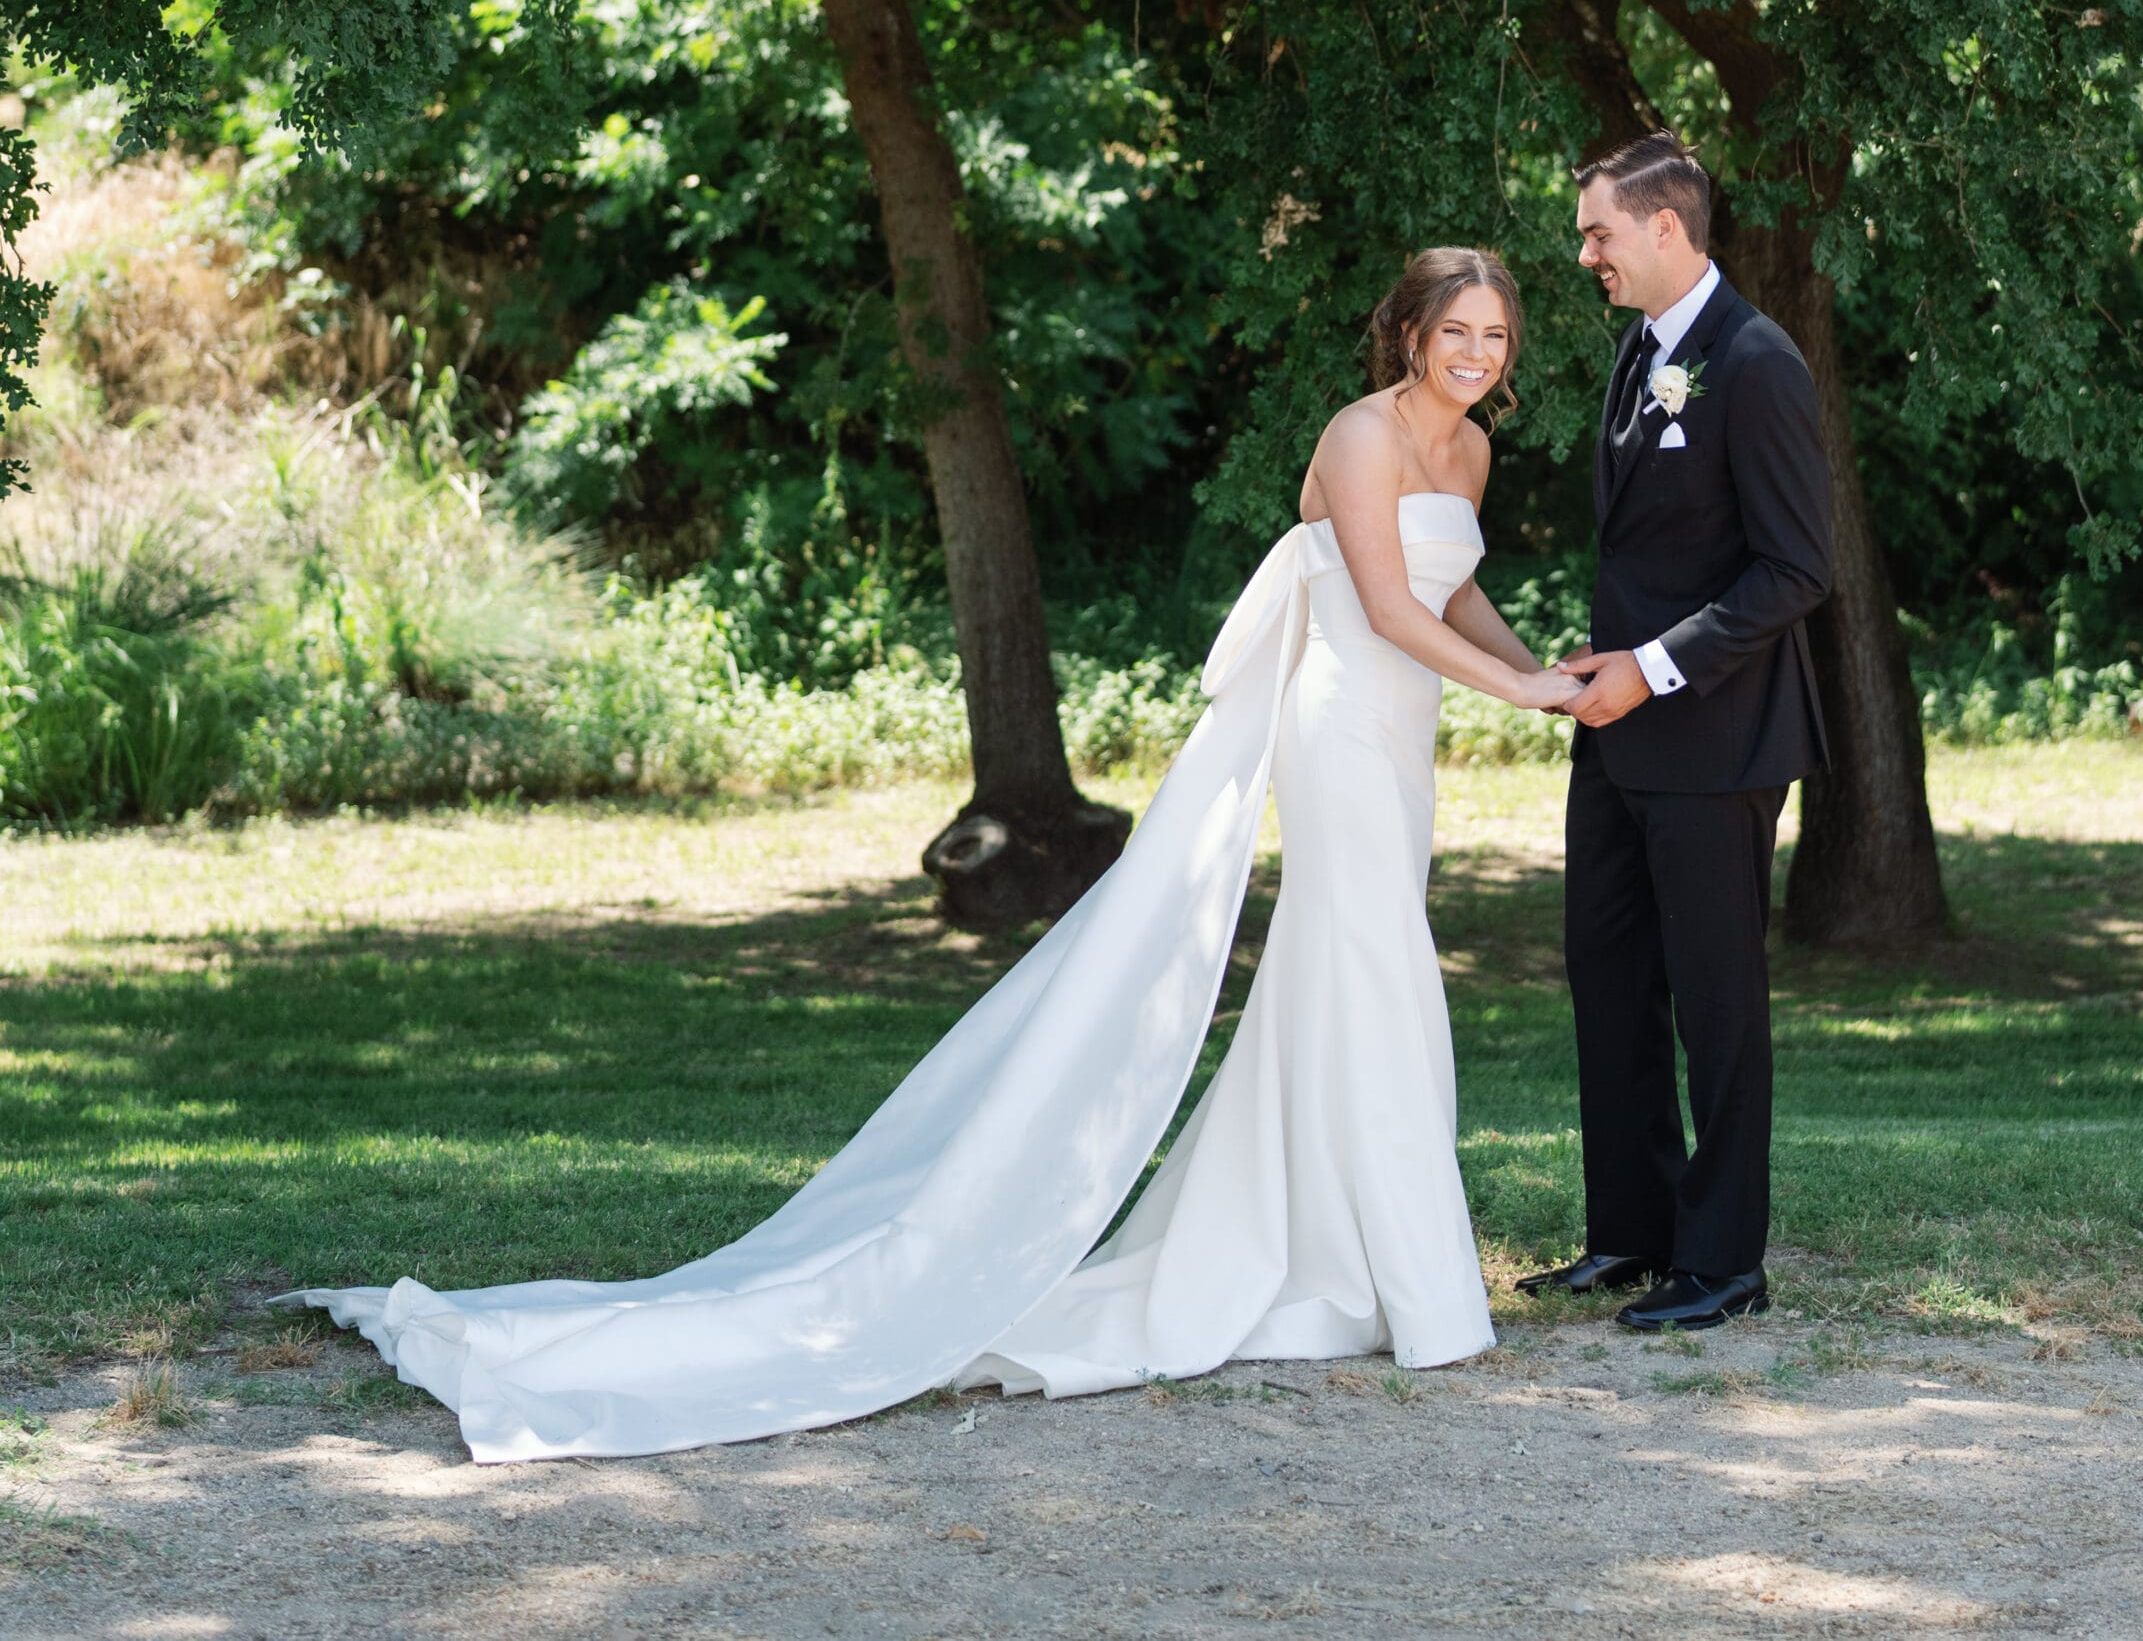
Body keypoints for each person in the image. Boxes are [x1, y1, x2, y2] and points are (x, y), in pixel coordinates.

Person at [279, 246, 1583, 1463]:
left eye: (1494, 334)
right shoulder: (1359, 434)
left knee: (1352, 976)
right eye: (1454, 329)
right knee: (1375, 967)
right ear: (1409, 330)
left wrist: (1545, 671)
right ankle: (1415, 1288)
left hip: (1407, 744)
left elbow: (1455, 591)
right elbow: (1388, 603)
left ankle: (1339, 1263)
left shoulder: (1467, 452)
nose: (1474, 351)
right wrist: (1520, 701)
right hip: (1342, 727)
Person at [1517, 131, 1835, 1333]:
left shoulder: (1756, 362)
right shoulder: (1637, 353)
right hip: (1615, 734)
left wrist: (1648, 671)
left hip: (1716, 738)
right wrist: (1606, 674)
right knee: (1608, 981)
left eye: (1598, 229)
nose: (1584, 250)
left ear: (1666, 227)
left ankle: (1722, 1262)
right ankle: (1631, 1233)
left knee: (1716, 1002)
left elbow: (1796, 568)